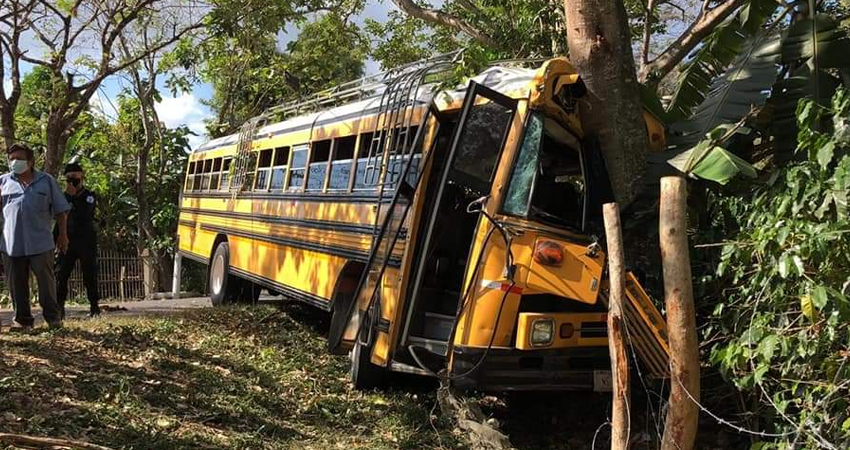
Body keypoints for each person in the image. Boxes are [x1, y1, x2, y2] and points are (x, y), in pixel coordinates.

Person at [0, 143, 71, 330]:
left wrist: (63, 236)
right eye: (11, 158)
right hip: (11, 244)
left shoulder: (46, 181)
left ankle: (53, 319)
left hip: (41, 243)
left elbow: (61, 211)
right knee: (17, 285)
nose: (14, 162)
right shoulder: (3, 182)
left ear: (30, 162)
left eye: (19, 159)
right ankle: (23, 321)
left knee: (46, 283)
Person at [55, 162, 101, 317]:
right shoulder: (62, 196)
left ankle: (94, 307)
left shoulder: (89, 196)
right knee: (61, 275)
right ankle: (59, 308)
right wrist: (55, 239)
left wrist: (73, 197)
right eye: (69, 178)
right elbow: (59, 217)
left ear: (82, 177)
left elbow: (85, 214)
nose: (72, 181)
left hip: (86, 241)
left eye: (75, 178)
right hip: (67, 240)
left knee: (90, 274)